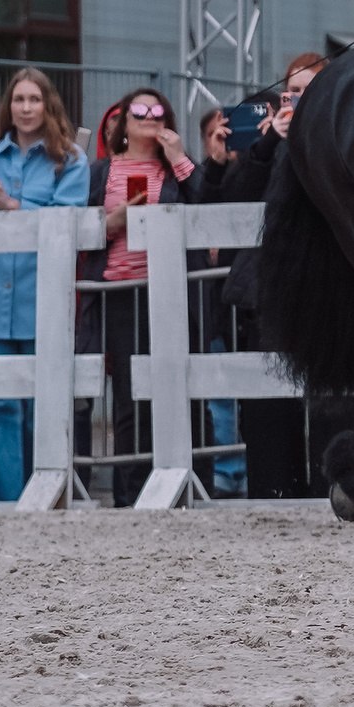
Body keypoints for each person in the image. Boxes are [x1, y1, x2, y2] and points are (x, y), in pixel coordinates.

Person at [0, 70, 88, 501]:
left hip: (41, 301)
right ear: (8, 106)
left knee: (39, 408)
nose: (26, 108)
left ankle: (40, 498)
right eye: (18, 100)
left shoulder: (70, 159)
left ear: (49, 105)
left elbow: (70, 221)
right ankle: (6, 503)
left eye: (34, 99)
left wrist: (13, 205)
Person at [81, 86, 207, 506]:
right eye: (139, 110)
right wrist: (111, 222)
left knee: (181, 391)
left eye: (157, 112)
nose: (149, 117)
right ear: (122, 122)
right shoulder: (101, 172)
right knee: (130, 398)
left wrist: (180, 158)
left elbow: (208, 205)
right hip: (121, 293)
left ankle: (187, 487)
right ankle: (131, 494)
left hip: (172, 294)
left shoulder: (177, 168)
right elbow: (78, 230)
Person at [210, 52, 325, 500]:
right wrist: (268, 144)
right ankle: (273, 491)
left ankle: (333, 489)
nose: (295, 99)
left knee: (330, 398)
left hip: (325, 288)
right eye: (291, 91)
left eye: (305, 90)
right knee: (268, 404)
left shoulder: (337, 130)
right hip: (269, 288)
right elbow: (234, 200)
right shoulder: (269, 143)